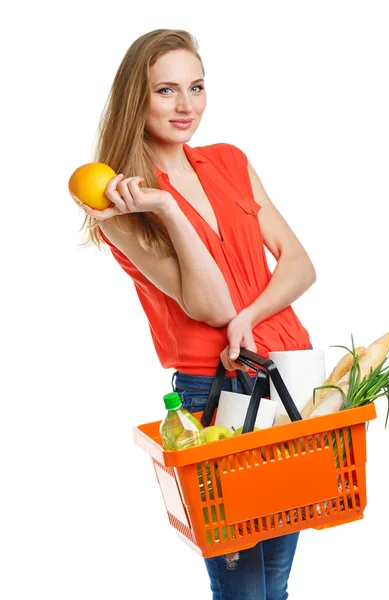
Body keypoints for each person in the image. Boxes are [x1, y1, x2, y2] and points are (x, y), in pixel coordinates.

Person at [77, 28, 316, 600]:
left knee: (277, 581)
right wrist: (165, 206)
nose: (187, 106)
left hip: (287, 369)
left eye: (197, 87)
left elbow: (301, 266)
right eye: (166, 91)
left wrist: (249, 315)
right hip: (213, 390)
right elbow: (205, 303)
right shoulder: (117, 204)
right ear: (136, 98)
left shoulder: (231, 161)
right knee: (240, 587)